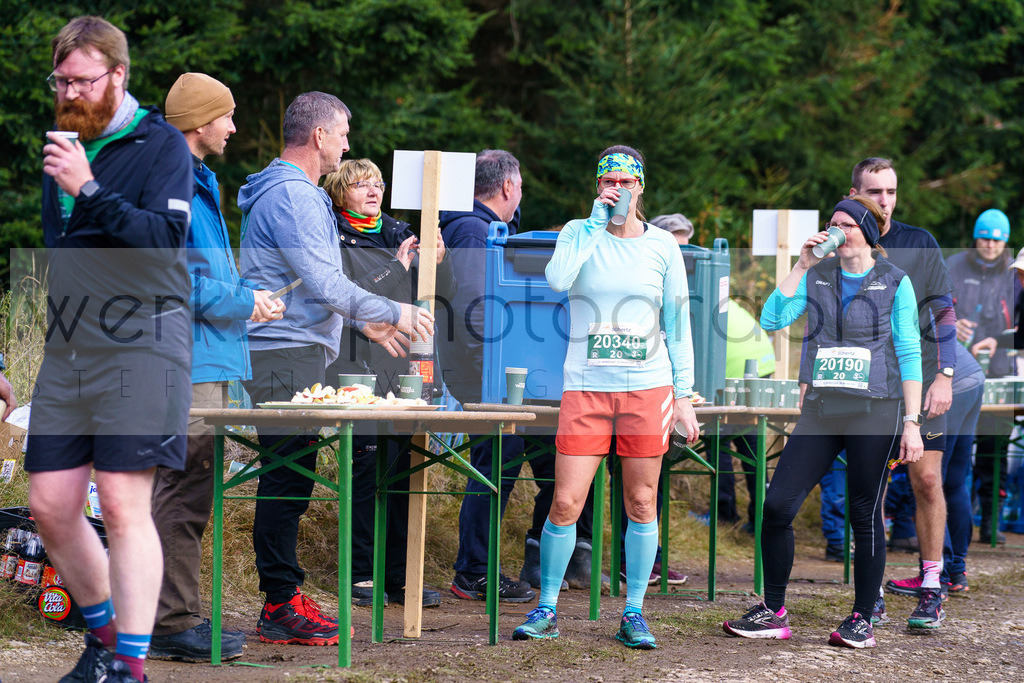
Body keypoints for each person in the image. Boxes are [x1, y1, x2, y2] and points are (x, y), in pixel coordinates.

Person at [27, 16, 194, 682]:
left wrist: (88, 187)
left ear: (117, 75)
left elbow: (162, 244)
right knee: (51, 504)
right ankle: (105, 638)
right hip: (72, 343)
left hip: (143, 342)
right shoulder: (63, 146)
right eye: (60, 80)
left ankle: (130, 665)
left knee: (123, 503)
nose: (68, 91)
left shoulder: (162, 146)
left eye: (82, 80)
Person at [237, 92, 434, 646]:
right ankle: (280, 603)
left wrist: (365, 324)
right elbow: (325, 282)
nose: (348, 142)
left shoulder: (289, 193)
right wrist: (394, 310)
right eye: (343, 132)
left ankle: (283, 597)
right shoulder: (296, 197)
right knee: (286, 478)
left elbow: (308, 281)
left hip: (291, 345)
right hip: (283, 350)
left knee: (291, 476)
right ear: (319, 136)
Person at [512, 145, 700, 650]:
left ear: (641, 187)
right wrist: (595, 224)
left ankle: (634, 611)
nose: (618, 190)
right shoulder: (578, 233)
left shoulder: (663, 245)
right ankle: (547, 607)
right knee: (567, 500)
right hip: (587, 387)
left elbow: (678, 323)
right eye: (609, 181)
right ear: (598, 185)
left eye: (627, 181)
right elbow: (556, 280)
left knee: (641, 501)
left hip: (647, 388)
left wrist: (683, 395)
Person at [723, 196, 923, 649]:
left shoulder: (895, 282)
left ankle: (861, 617)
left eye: (846, 224)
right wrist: (800, 264)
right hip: (822, 409)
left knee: (863, 513)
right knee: (777, 506)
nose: (836, 231)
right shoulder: (818, 275)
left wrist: (912, 422)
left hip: (877, 409)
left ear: (866, 232)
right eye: (832, 223)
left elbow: (910, 354)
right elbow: (772, 318)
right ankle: (773, 609)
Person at [148, 73, 284, 663]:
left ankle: (169, 618)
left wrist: (246, 295)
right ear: (201, 123)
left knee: (189, 490)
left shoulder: (196, 182)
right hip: (183, 361)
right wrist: (241, 302)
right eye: (227, 117)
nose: (233, 127)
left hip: (204, 356)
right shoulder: (170, 180)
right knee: (181, 491)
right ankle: (169, 624)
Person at [322, 158, 456, 607]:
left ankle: (399, 577)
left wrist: (439, 260)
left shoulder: (400, 232)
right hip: (355, 366)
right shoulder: (333, 235)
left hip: (407, 369)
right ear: (342, 192)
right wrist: (398, 269)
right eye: (361, 184)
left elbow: (443, 293)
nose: (372, 191)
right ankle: (362, 574)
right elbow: (348, 292)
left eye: (377, 184)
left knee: (405, 471)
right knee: (365, 469)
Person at [849, 158, 958, 629]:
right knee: (867, 491)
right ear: (855, 193)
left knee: (926, 481)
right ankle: (869, 595)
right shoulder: (843, 240)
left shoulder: (920, 242)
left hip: (923, 375)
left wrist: (946, 375)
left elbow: (945, 313)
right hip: (868, 384)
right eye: (874, 192)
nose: (885, 201)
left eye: (891, 191)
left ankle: (931, 585)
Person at [438, 150, 536, 602]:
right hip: (483, 370)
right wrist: (491, 376)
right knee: (495, 462)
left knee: (504, 459)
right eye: (520, 187)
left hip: (485, 367)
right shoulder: (475, 231)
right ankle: (474, 570)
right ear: (507, 187)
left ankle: (484, 564)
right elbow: (477, 309)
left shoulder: (472, 227)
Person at [949, 209, 1014, 545]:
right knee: (955, 452)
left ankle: (991, 523)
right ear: (975, 237)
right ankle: (950, 526)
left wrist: (1002, 339)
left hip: (999, 374)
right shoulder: (955, 266)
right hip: (955, 374)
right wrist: (952, 323)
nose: (990, 245)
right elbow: (931, 306)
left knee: (995, 452)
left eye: (997, 239)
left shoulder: (1014, 274)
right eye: (985, 237)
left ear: (1005, 241)